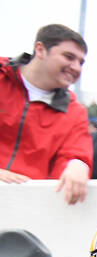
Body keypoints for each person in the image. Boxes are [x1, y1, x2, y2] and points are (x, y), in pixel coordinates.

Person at [0, 24, 91, 205]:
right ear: (40, 50)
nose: (76, 68)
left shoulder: (75, 111)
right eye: (68, 57)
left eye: (81, 62)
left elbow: (77, 153)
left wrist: (78, 165)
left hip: (28, 207)